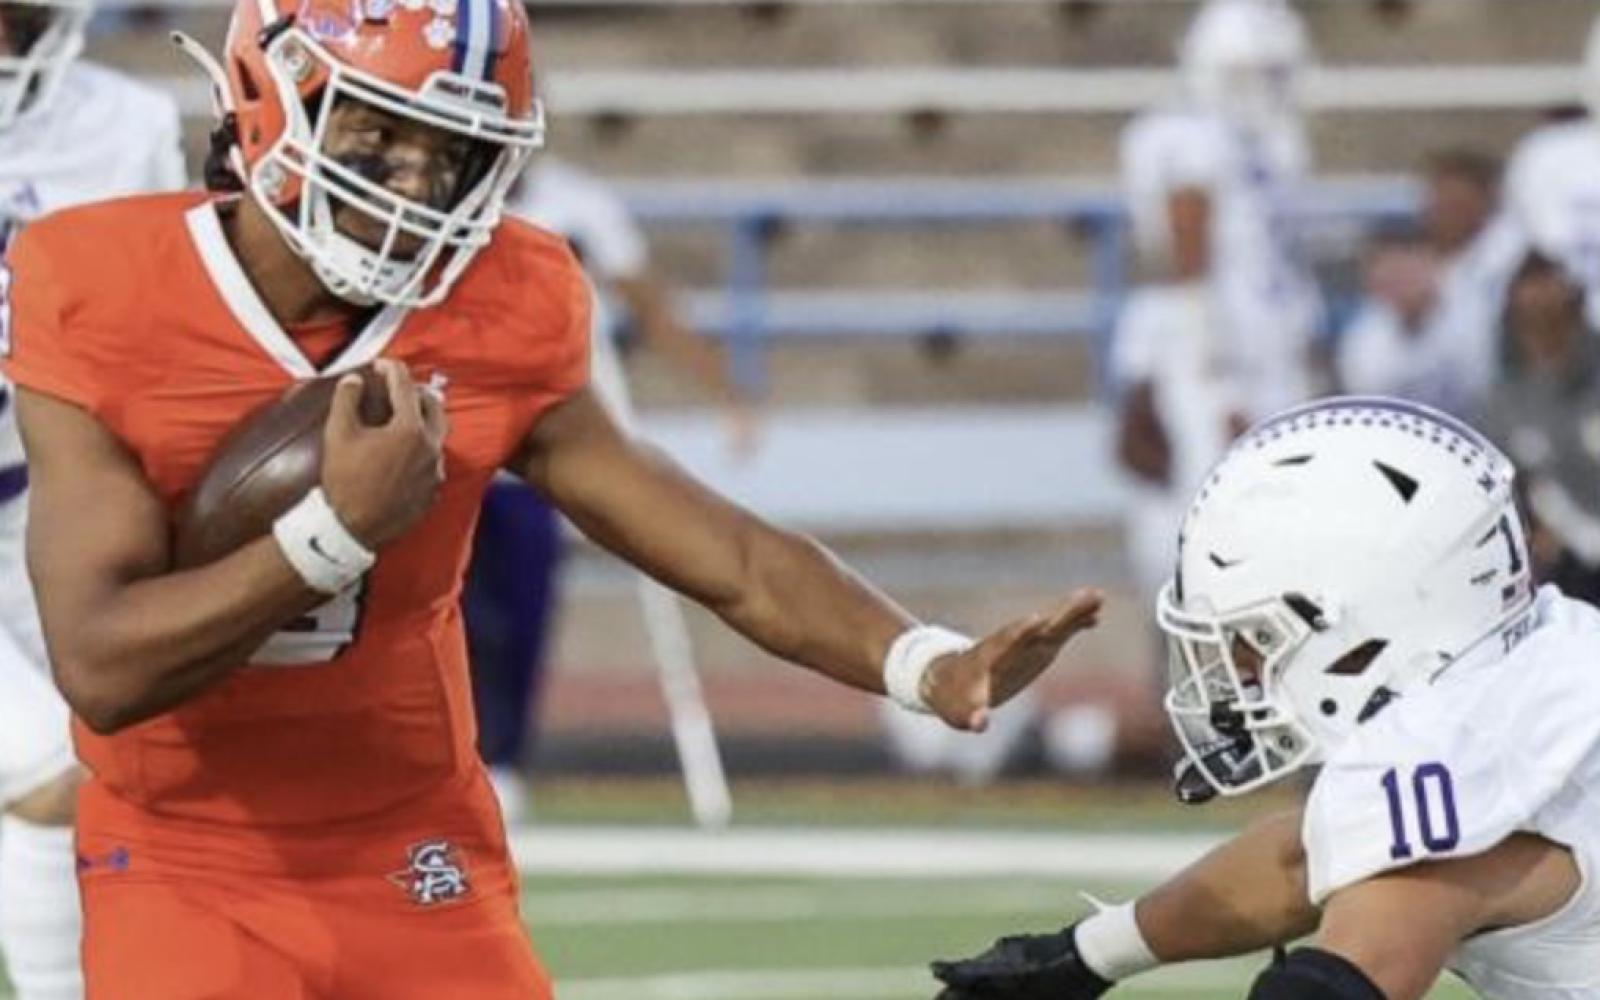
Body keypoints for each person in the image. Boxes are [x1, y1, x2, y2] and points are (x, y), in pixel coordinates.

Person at [0, 0, 1102, 995]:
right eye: (375, 133)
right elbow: (103, 665)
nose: (409, 185)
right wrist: (333, 533)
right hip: (188, 851)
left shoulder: (502, 299)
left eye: (448, 153)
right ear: (266, 101)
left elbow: (724, 552)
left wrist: (922, 661)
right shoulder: (96, 283)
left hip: (411, 839)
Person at [931, 396, 1600, 1000]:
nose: (1241, 674)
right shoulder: (1544, 652)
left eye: (1253, 641)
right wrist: (1086, 955)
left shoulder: (1438, 754)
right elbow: (1307, 855)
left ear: (1363, 617)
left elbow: (1361, 957)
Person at [466, 156, 758, 819]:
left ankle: (504, 759)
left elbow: (649, 304)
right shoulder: (443, 198)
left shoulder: (581, 206)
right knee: (447, 609)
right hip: (458, 429)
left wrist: (723, 392)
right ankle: (453, 761)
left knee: (521, 608)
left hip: (545, 437)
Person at [0, 1, 183, 996]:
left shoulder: (123, 122)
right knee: (42, 773)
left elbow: (168, 330)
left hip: (47, 501)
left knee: (143, 773)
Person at [1113, 0, 1318, 609]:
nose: (1264, 89)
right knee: (1214, 522)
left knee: (1291, 523)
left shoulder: (1278, 142)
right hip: (1216, 355)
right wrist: (1221, 375)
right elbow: (1189, 253)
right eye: (1250, 74)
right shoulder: (1183, 137)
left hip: (1274, 351)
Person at [1336, 151, 1522, 416]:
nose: (1444, 213)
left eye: (1458, 204)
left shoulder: (1507, 265)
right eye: (1438, 203)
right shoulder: (1367, 335)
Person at [1479, 253, 1600, 606]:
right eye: (1528, 316)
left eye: (1552, 312)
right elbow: (1502, 479)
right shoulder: (1505, 399)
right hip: (1562, 563)